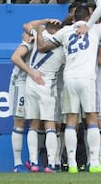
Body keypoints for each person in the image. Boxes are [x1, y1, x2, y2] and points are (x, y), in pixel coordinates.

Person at [34, 4, 101, 173]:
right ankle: (94, 162)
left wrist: (38, 31)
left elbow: (42, 47)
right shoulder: (95, 28)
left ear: (73, 17)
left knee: (71, 121)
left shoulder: (64, 31)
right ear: (88, 16)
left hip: (69, 78)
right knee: (92, 118)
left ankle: (71, 164)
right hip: (87, 78)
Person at [22, 19, 65, 173]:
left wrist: (43, 23)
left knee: (33, 123)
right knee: (49, 124)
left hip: (32, 80)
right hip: (47, 83)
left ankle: (33, 162)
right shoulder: (62, 42)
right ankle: (51, 163)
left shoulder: (40, 33)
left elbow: (26, 25)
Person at [9, 32, 44, 172]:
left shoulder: (49, 44)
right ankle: (17, 164)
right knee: (20, 121)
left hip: (35, 84)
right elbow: (15, 57)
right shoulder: (30, 43)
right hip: (21, 81)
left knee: (37, 121)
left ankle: (33, 160)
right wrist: (31, 71)